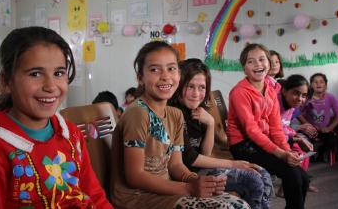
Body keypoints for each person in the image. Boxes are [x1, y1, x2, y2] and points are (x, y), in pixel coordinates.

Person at [0, 26, 112, 208]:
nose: (50, 86)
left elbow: (94, 195)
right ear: (6, 81)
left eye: (58, 73)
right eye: (35, 74)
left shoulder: (71, 134)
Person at [111, 41, 250, 209]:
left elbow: (175, 165)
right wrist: (188, 188)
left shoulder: (175, 115)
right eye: (155, 69)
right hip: (136, 198)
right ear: (140, 78)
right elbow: (135, 176)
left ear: (179, 74)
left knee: (239, 204)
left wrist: (197, 181)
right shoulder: (137, 113)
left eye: (171, 68)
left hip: (167, 190)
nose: (165, 76)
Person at [169, 58, 272, 209]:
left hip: (201, 168)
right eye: (190, 86)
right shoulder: (175, 113)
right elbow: (190, 158)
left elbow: (206, 152)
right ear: (179, 85)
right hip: (188, 175)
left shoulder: (198, 110)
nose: (196, 93)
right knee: (253, 180)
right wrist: (233, 163)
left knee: (263, 174)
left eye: (202, 87)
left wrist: (210, 123)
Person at [228, 43, 309, 209]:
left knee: (304, 178)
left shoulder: (271, 90)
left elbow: (276, 127)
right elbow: (251, 130)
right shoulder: (239, 92)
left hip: (263, 141)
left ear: (269, 63)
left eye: (261, 59)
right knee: (292, 174)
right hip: (243, 144)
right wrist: (280, 154)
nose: (258, 64)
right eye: (251, 61)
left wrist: (287, 151)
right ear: (244, 68)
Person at [298, 73, 338, 162]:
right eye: (315, 82)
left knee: (332, 140)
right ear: (310, 85)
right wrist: (308, 125)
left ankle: (321, 153)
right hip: (311, 129)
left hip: (325, 129)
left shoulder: (330, 97)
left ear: (325, 85)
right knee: (306, 140)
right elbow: (298, 113)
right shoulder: (306, 98)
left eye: (321, 82)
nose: (318, 84)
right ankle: (312, 156)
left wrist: (329, 128)